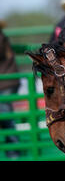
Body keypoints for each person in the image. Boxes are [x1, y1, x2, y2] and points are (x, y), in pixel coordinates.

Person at [0, 22, 21, 158]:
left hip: (5, 82)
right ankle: (13, 150)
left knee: (5, 116)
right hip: (7, 81)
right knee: (5, 116)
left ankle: (14, 152)